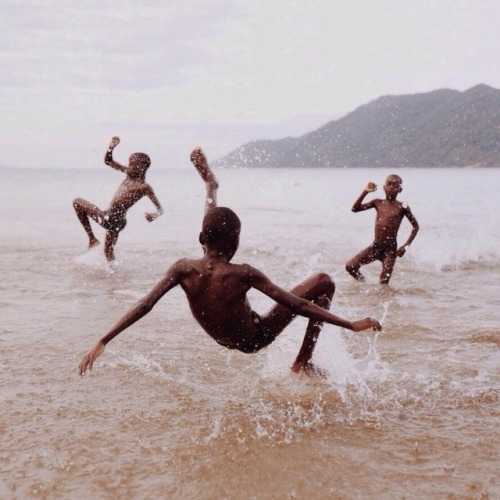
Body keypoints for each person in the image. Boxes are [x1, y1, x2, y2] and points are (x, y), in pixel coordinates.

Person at [79, 148, 381, 378]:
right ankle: (302, 363)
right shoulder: (243, 273)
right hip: (254, 338)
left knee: (212, 218)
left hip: (223, 339)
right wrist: (350, 325)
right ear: (236, 244)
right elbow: (297, 305)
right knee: (324, 281)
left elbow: (145, 305)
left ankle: (210, 185)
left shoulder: (183, 268)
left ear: (200, 238)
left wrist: (103, 340)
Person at [73, 136, 164, 261]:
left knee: (77, 202)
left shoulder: (144, 187)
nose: (129, 166)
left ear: (142, 167)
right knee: (108, 252)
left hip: (113, 219)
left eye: (132, 164)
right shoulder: (128, 174)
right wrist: (111, 147)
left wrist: (155, 215)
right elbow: (108, 161)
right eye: (129, 163)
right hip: (111, 216)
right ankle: (114, 276)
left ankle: (92, 239)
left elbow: (160, 209)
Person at [345, 175, 419, 285]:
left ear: (400, 189)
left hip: (390, 250)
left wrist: (406, 246)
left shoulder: (402, 207)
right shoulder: (377, 203)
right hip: (375, 247)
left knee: (384, 282)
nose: (391, 187)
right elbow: (355, 209)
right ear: (384, 187)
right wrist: (365, 192)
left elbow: (415, 226)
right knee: (350, 266)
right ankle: (363, 284)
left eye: (395, 185)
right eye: (389, 184)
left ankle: (383, 300)